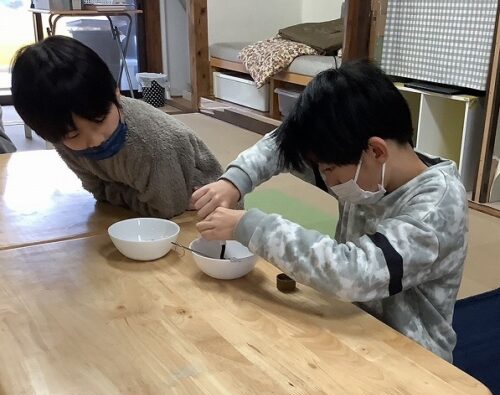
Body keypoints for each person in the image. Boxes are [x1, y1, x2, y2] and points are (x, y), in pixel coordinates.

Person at [192, 60, 468, 362]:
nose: (325, 178)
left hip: (414, 358)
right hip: (351, 324)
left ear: (376, 151)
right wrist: (234, 181)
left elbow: (353, 272)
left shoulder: (436, 209)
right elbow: (282, 145)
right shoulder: (365, 168)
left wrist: (251, 226)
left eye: (329, 170)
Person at [11, 36, 222, 218]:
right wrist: (121, 195)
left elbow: (167, 208)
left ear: (117, 94)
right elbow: (98, 191)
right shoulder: (62, 138)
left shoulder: (151, 143)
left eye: (100, 119)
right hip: (149, 207)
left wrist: (114, 193)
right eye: (74, 134)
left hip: (201, 209)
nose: (95, 140)